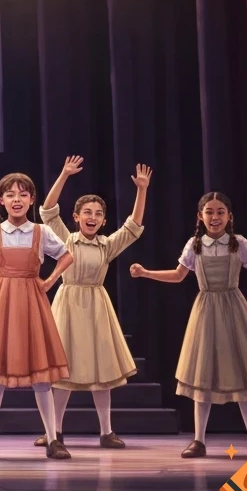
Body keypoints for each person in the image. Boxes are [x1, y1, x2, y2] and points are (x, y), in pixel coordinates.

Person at [129, 191, 247, 458]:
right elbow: (178, 275)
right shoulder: (195, 245)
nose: (215, 217)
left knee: (243, 371)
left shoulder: (239, 244)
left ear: (229, 217)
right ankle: (198, 440)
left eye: (220, 212)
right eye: (209, 212)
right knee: (202, 372)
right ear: (200, 216)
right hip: (206, 311)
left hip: (234, 310)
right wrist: (146, 273)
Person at [33, 157, 151, 448]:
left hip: (97, 306)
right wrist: (64, 174)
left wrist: (142, 190)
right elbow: (47, 211)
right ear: (76, 216)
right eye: (87, 212)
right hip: (67, 305)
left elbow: (133, 226)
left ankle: (106, 432)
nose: (93, 217)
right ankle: (54, 432)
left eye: (98, 214)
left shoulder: (106, 246)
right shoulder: (66, 239)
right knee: (63, 372)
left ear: (103, 221)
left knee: (102, 371)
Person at [0, 173, 74, 460]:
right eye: (10, 195)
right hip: (2, 301)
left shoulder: (41, 231)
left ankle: (53, 439)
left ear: (32, 200)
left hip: (33, 300)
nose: (17, 200)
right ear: (1, 201)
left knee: (42, 374)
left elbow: (67, 256)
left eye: (23, 194)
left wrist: (50, 281)